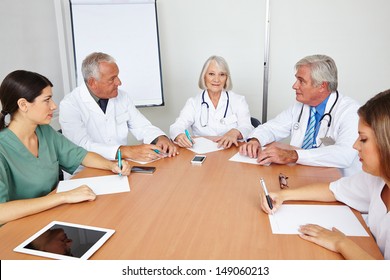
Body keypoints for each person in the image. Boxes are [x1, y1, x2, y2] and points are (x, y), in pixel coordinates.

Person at [260, 89, 390, 259]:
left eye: (363, 139)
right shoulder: (378, 180)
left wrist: (340, 243)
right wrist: (283, 195)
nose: (355, 146)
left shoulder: (346, 109)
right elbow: (333, 190)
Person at [0, 70, 131, 225]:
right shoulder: (3, 148)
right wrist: (63, 197)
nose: (54, 106)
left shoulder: (45, 132)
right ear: (23, 105)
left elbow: (81, 155)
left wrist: (112, 165)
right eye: (47, 100)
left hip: (50, 217)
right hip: (18, 229)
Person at [239, 54, 360, 176]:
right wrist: (255, 140)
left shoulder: (350, 112)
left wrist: (292, 155)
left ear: (322, 86)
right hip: (303, 174)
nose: (294, 86)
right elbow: (271, 128)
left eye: (301, 81)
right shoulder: (301, 106)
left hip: (336, 181)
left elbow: (344, 154)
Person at [59, 52, 178, 163]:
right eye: (112, 79)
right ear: (92, 82)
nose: (119, 82)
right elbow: (82, 146)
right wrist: (127, 151)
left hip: (121, 165)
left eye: (117, 76)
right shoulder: (70, 105)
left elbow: (142, 126)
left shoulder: (123, 97)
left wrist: (160, 138)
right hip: (86, 170)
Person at [169, 55, 253, 149]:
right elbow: (176, 126)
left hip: (231, 151)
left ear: (226, 78)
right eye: (211, 74)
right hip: (203, 152)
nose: (216, 79)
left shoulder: (238, 100)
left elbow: (248, 127)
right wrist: (179, 135)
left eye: (221, 74)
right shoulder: (193, 103)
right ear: (204, 76)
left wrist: (235, 132)